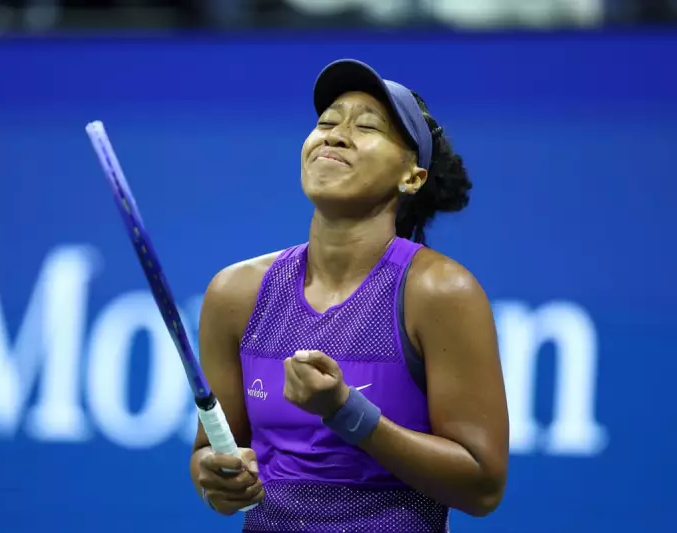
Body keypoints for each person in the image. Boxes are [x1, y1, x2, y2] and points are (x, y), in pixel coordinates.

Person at [189, 58, 509, 533]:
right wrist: (214, 479)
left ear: (413, 176)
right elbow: (212, 454)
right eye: (326, 122)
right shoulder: (235, 294)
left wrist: (346, 412)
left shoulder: (439, 292)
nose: (335, 135)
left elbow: (482, 487)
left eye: (367, 127)